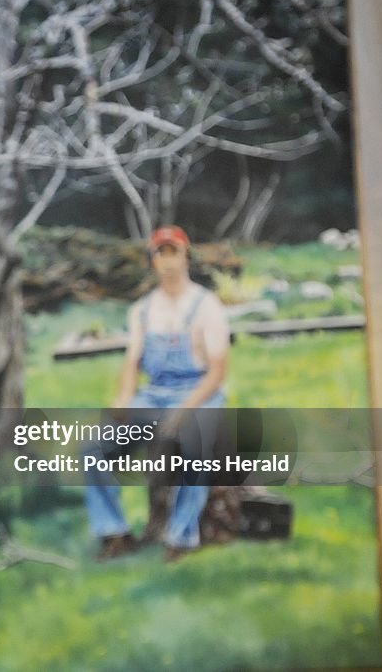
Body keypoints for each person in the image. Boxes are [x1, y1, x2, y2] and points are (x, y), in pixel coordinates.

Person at [82, 225, 229, 562]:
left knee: (194, 443)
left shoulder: (206, 306)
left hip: (198, 392)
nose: (167, 262)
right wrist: (122, 399)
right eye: (159, 254)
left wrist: (185, 410)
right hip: (155, 394)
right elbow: (132, 362)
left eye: (172, 253)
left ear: (185, 256)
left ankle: (181, 536)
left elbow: (218, 372)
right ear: (152, 261)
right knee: (93, 448)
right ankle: (114, 532)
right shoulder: (143, 311)